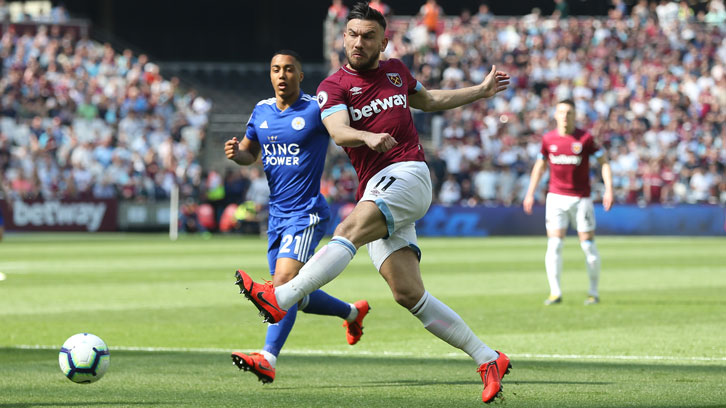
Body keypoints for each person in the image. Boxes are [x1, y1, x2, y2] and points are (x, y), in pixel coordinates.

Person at [235, 4, 512, 403]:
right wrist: (364, 138)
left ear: (383, 42)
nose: (359, 42)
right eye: (353, 34)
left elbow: (430, 100)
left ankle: (279, 298)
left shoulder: (396, 71)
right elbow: (337, 131)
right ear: (343, 38)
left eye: (368, 36)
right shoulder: (333, 87)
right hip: (378, 186)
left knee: (348, 230)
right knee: (407, 293)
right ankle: (488, 357)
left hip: (409, 174)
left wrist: (481, 91)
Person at [224, 50, 370, 384]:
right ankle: (352, 312)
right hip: (276, 217)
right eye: (276, 69)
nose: (282, 75)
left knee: (282, 287)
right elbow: (250, 152)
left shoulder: (315, 109)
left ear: (300, 76)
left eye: (289, 69)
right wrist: (238, 155)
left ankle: (267, 358)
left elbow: (342, 129)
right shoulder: (261, 111)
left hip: (306, 213)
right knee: (296, 295)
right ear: (270, 74)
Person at [522, 99, 613, 306]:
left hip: (581, 200)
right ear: (555, 115)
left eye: (569, 112)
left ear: (574, 116)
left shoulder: (586, 138)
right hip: (555, 198)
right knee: (554, 244)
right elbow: (540, 166)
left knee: (588, 246)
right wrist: (530, 193)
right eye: (561, 112)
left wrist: (609, 189)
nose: (565, 116)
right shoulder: (548, 139)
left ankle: (593, 292)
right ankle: (555, 292)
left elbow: (604, 162)